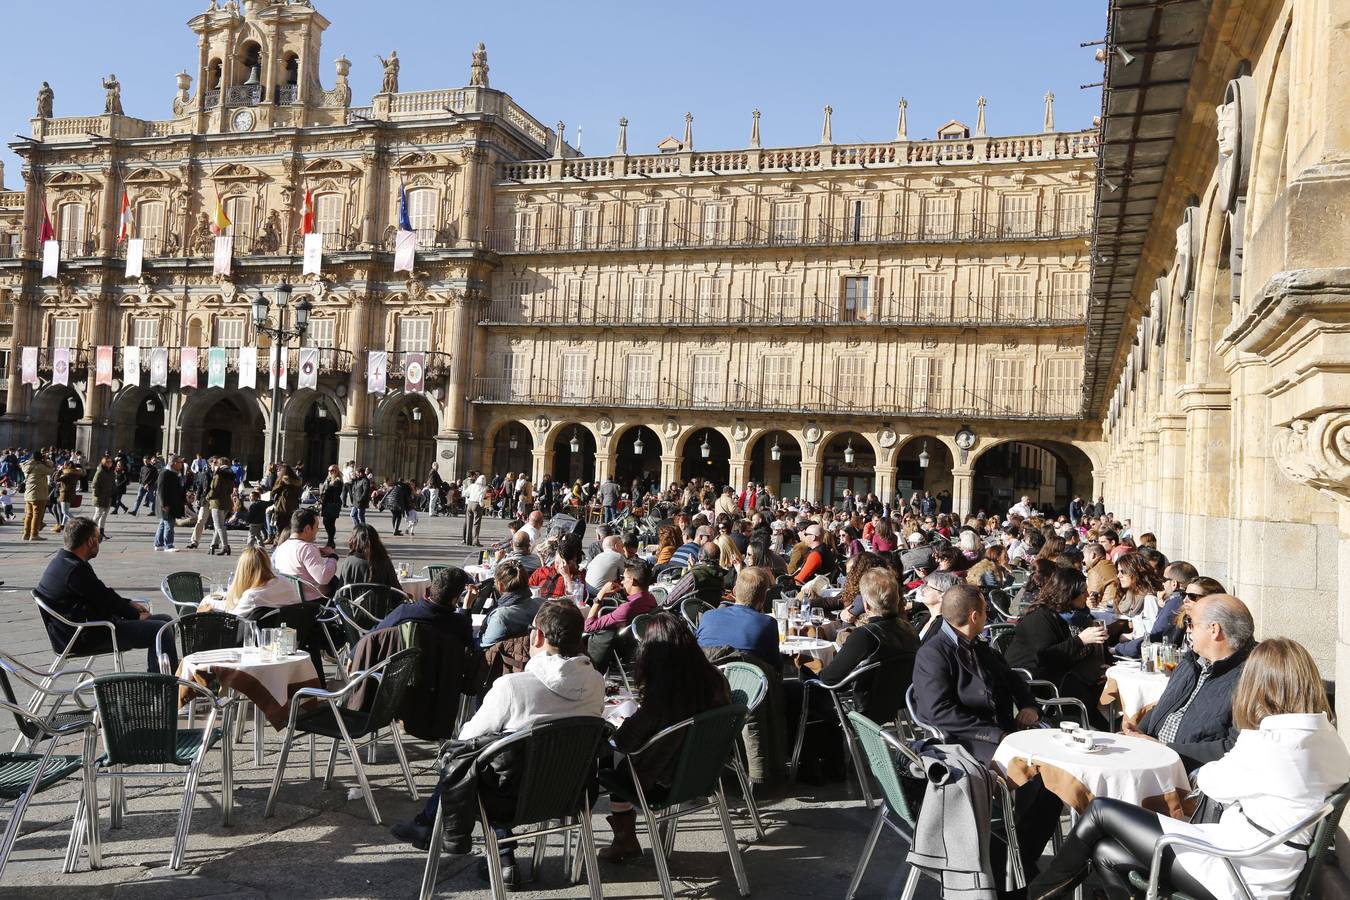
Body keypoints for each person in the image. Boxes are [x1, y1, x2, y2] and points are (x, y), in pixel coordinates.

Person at [1029, 637, 1349, 900]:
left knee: (1100, 811)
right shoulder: (1329, 740)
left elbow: (1212, 783)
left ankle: (1036, 896)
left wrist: (1245, 738)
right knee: (1106, 852)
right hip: (1266, 866)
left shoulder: (1270, 742)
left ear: (1259, 686)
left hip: (1235, 871)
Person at [389, 601, 604, 886]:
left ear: (537, 636)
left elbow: (465, 740)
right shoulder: (596, 683)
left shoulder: (513, 687)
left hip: (509, 800)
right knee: (501, 756)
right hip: (573, 794)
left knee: (471, 760)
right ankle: (450, 834)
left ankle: (495, 853)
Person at [912, 582, 1061, 878]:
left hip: (1003, 732)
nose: (988, 615)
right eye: (985, 611)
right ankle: (1013, 860)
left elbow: (1013, 679)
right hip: (965, 742)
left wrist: (1029, 704)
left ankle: (1016, 854)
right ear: (974, 616)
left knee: (1059, 772)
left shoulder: (979, 646)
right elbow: (937, 712)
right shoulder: (934, 653)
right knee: (1045, 780)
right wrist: (994, 734)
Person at [598, 609, 731, 861]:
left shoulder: (662, 698)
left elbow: (625, 742)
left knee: (608, 761)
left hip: (661, 781)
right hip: (704, 773)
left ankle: (624, 839)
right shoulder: (716, 679)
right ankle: (624, 839)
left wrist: (622, 722)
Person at [1123, 594, 1255, 770]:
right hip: (1152, 758)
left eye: (1190, 623)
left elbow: (1235, 747)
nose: (1188, 630)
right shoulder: (1191, 661)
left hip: (1190, 778)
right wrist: (1138, 732)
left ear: (1214, 630)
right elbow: (1166, 705)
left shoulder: (1250, 678)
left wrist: (1166, 750)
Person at [35, 517, 174, 672]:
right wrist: (134, 614)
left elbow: (101, 594)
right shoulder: (75, 570)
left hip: (76, 630)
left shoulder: (62, 562)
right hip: (85, 635)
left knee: (166, 621)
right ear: (90, 542)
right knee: (161, 630)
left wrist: (128, 604)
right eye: (98, 538)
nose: (99, 543)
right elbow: (104, 599)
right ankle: (166, 688)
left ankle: (164, 678)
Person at [1004, 567, 1109, 728]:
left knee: (1106, 684)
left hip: (1061, 674)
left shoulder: (1074, 616)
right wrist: (1080, 640)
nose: (1087, 595)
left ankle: (1109, 726)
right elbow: (1046, 657)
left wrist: (1105, 667)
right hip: (1035, 681)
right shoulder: (1041, 617)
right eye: (1083, 592)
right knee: (1093, 692)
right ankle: (1099, 728)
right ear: (1068, 593)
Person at [816, 568, 918, 723]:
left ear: (866, 605)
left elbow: (830, 679)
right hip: (899, 703)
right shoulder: (910, 630)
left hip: (863, 708)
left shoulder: (865, 636)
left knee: (800, 687)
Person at [695, 565, 778, 666]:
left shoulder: (707, 617)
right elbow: (776, 666)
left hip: (707, 678)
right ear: (764, 597)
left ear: (734, 591)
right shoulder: (767, 623)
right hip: (747, 680)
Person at [375, 565, 474, 648]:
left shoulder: (404, 612)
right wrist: (466, 608)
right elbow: (469, 644)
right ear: (455, 599)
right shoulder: (459, 623)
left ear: (431, 587)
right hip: (441, 670)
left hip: (400, 668)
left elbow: (373, 635)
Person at [1115, 560, 1198, 657]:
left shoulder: (1176, 601)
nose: (1162, 584)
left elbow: (1156, 636)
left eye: (1164, 579)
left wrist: (1120, 648)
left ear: (1174, 584)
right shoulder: (1175, 601)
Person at [208, 546, 298, 618]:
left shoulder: (252, 596)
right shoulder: (286, 583)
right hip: (290, 633)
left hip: (257, 638)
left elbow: (232, 619)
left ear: (243, 570)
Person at [272, 508, 339, 601]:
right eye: (316, 526)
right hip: (313, 603)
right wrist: (332, 557)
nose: (318, 530)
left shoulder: (281, 548)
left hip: (290, 600)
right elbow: (323, 578)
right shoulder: (307, 549)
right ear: (307, 528)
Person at [479, 559, 538, 647]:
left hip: (502, 658)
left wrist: (466, 608)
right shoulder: (542, 605)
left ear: (500, 586)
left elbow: (483, 645)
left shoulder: (501, 616)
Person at [336, 524, 402, 590]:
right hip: (381, 600)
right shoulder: (384, 561)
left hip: (354, 600)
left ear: (354, 540)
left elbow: (341, 592)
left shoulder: (349, 562)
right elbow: (396, 590)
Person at [528, 533, 585, 600]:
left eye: (566, 563)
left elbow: (576, 599)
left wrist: (566, 576)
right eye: (558, 562)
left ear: (574, 560)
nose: (561, 566)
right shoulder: (542, 571)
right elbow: (526, 590)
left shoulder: (577, 577)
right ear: (556, 553)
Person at [155, 456, 186, 552]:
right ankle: (168, 545)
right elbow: (161, 490)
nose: (182, 464)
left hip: (172, 502)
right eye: (180, 462)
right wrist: (164, 504)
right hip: (167, 504)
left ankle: (158, 544)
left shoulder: (175, 473)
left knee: (163, 523)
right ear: (174, 463)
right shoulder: (165, 473)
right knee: (169, 524)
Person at [206, 457, 235, 556]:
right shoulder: (231, 474)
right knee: (219, 525)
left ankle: (225, 546)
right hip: (226, 501)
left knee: (219, 526)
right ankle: (213, 544)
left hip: (217, 502)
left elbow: (215, 488)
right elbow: (230, 489)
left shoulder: (219, 474)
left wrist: (208, 496)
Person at [21, 452, 53, 541]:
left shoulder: (26, 466)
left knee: (29, 515)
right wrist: (46, 461)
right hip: (38, 495)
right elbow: (51, 470)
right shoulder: (39, 467)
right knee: (37, 515)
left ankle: (26, 534)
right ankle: (34, 534)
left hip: (28, 494)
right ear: (40, 458)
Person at [319, 465, 344, 549]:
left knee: (330, 522)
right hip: (327, 503)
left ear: (336, 471)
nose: (330, 472)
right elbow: (324, 490)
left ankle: (330, 541)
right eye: (329, 470)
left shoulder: (338, 481)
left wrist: (327, 488)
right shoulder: (328, 479)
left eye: (332, 470)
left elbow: (335, 491)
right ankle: (331, 541)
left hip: (333, 504)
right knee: (326, 522)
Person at [90, 456, 115, 540]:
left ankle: (101, 533)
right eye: (108, 462)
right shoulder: (100, 471)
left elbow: (113, 484)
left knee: (104, 515)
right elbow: (94, 484)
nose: (110, 463)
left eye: (110, 462)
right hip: (100, 497)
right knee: (98, 514)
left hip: (108, 497)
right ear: (104, 462)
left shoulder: (111, 472)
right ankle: (90, 532)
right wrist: (97, 495)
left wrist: (114, 492)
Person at [462, 474, 487, 545]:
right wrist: (483, 505)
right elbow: (481, 499)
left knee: (469, 523)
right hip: (477, 505)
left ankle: (468, 540)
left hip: (470, 504)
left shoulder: (472, 486)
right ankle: (475, 541)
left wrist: (471, 496)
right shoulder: (484, 488)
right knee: (476, 524)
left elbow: (465, 494)